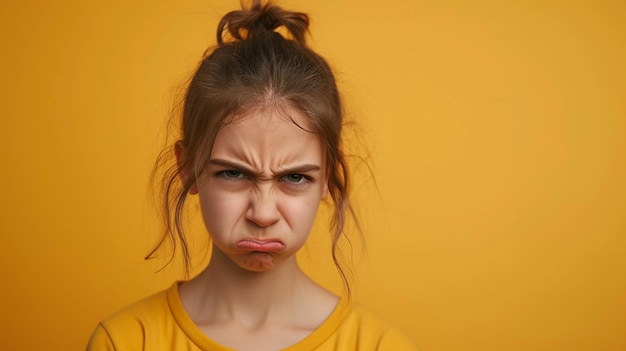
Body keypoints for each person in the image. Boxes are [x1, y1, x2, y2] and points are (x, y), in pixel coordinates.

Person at [87, 1, 417, 350]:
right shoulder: (127, 340)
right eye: (233, 173)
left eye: (294, 178)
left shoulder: (379, 345)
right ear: (188, 168)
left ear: (327, 178)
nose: (262, 214)